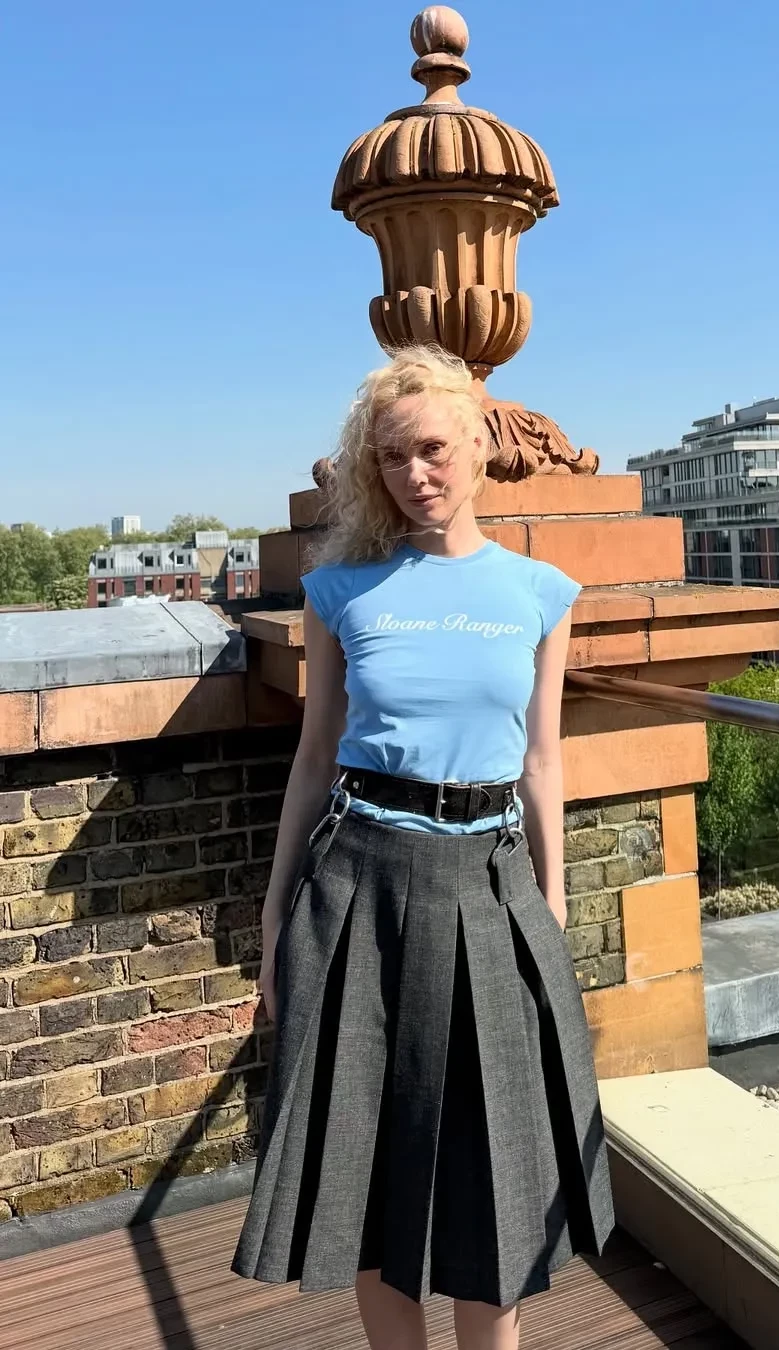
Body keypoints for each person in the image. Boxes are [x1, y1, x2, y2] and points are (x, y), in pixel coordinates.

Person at [231, 345, 614, 1349]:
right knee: (369, 1183)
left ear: (479, 446)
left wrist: (554, 904)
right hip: (356, 885)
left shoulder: (541, 592)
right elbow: (313, 761)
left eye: (433, 449)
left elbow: (542, 763)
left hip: (490, 887)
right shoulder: (340, 592)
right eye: (393, 457)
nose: (415, 474)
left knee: (496, 1185)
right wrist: (274, 915)